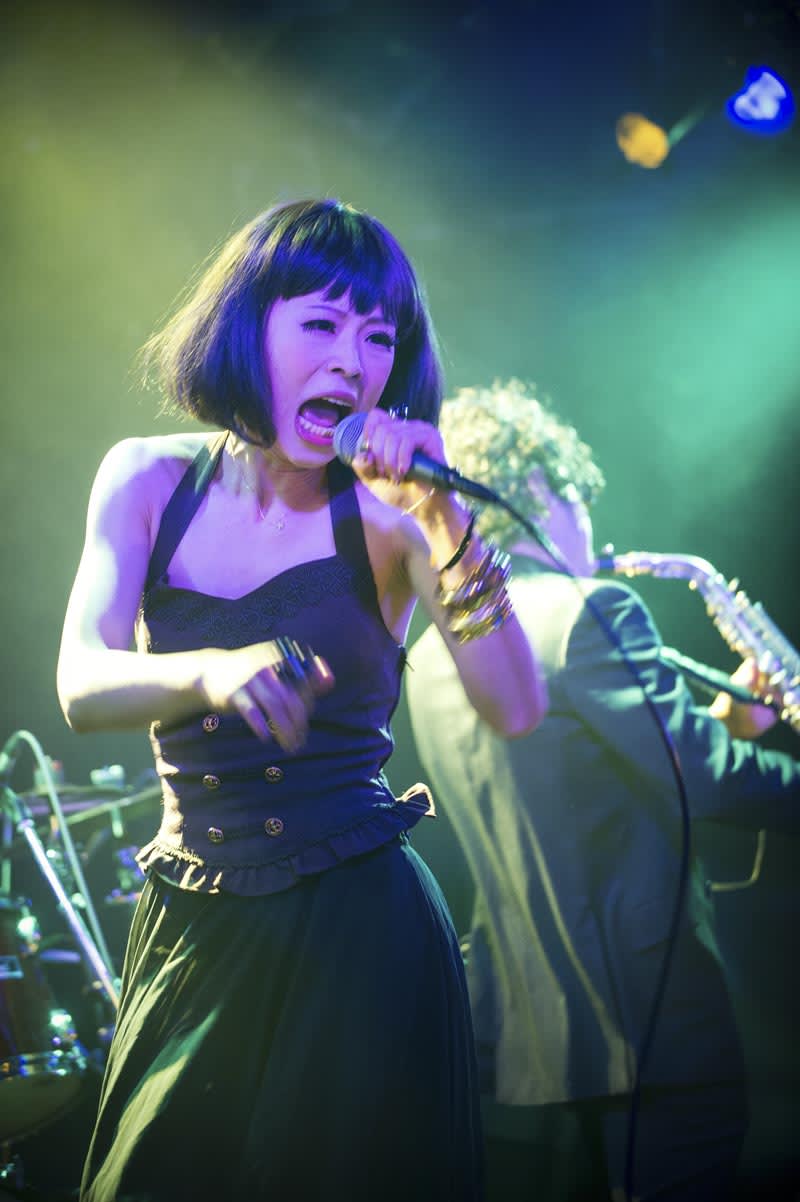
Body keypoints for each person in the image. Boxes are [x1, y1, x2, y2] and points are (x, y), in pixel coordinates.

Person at [56, 204, 546, 1202]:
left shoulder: (393, 521)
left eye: (378, 337)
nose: (352, 361)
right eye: (321, 323)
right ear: (247, 327)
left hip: (361, 931)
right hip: (197, 919)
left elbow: (514, 705)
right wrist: (208, 672)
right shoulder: (147, 478)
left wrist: (441, 509)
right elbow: (79, 681)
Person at [406, 378, 800, 1202]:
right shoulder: (590, 608)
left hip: (530, 1035)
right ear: (541, 488)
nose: (588, 525)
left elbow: (573, 787)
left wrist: (727, 724)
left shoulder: (438, 653)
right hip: (649, 1018)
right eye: (577, 498)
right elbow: (705, 779)